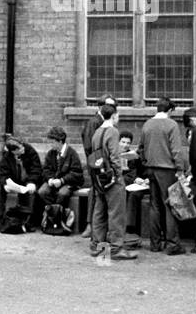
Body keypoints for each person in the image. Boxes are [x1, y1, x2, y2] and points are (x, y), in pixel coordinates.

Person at [140, 96, 188, 255]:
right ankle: (172, 244)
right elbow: (176, 150)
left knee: (154, 206)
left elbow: (141, 148)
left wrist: (146, 163)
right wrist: (180, 169)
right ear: (170, 110)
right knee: (171, 205)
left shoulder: (147, 124)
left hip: (150, 169)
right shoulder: (172, 125)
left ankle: (155, 243)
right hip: (167, 170)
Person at [88, 103, 137, 260]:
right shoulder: (113, 132)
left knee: (99, 212)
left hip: (99, 177)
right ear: (114, 115)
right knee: (116, 214)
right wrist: (118, 175)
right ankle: (116, 249)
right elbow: (115, 156)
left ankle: (98, 246)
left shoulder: (97, 132)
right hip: (112, 178)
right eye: (118, 115)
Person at [80, 95, 116, 237]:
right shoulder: (94, 122)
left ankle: (98, 232)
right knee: (96, 195)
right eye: (109, 106)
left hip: (103, 166)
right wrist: (97, 164)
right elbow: (89, 147)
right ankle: (91, 227)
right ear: (100, 107)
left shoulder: (108, 122)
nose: (112, 109)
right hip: (98, 167)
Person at [37, 126, 83, 232]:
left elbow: (76, 173)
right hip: (54, 182)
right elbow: (46, 170)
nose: (51, 144)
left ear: (60, 141)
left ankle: (57, 217)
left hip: (69, 183)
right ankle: (54, 215)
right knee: (42, 191)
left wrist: (62, 180)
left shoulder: (72, 153)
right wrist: (50, 179)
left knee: (62, 193)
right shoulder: (51, 153)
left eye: (52, 142)